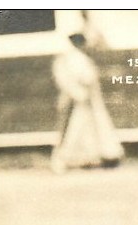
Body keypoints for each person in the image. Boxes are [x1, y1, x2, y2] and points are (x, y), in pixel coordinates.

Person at [50, 33, 123, 173]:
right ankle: (63, 160)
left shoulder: (73, 58)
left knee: (84, 128)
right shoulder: (73, 58)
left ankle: (85, 158)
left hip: (83, 98)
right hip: (78, 98)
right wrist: (79, 94)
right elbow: (82, 79)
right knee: (72, 128)